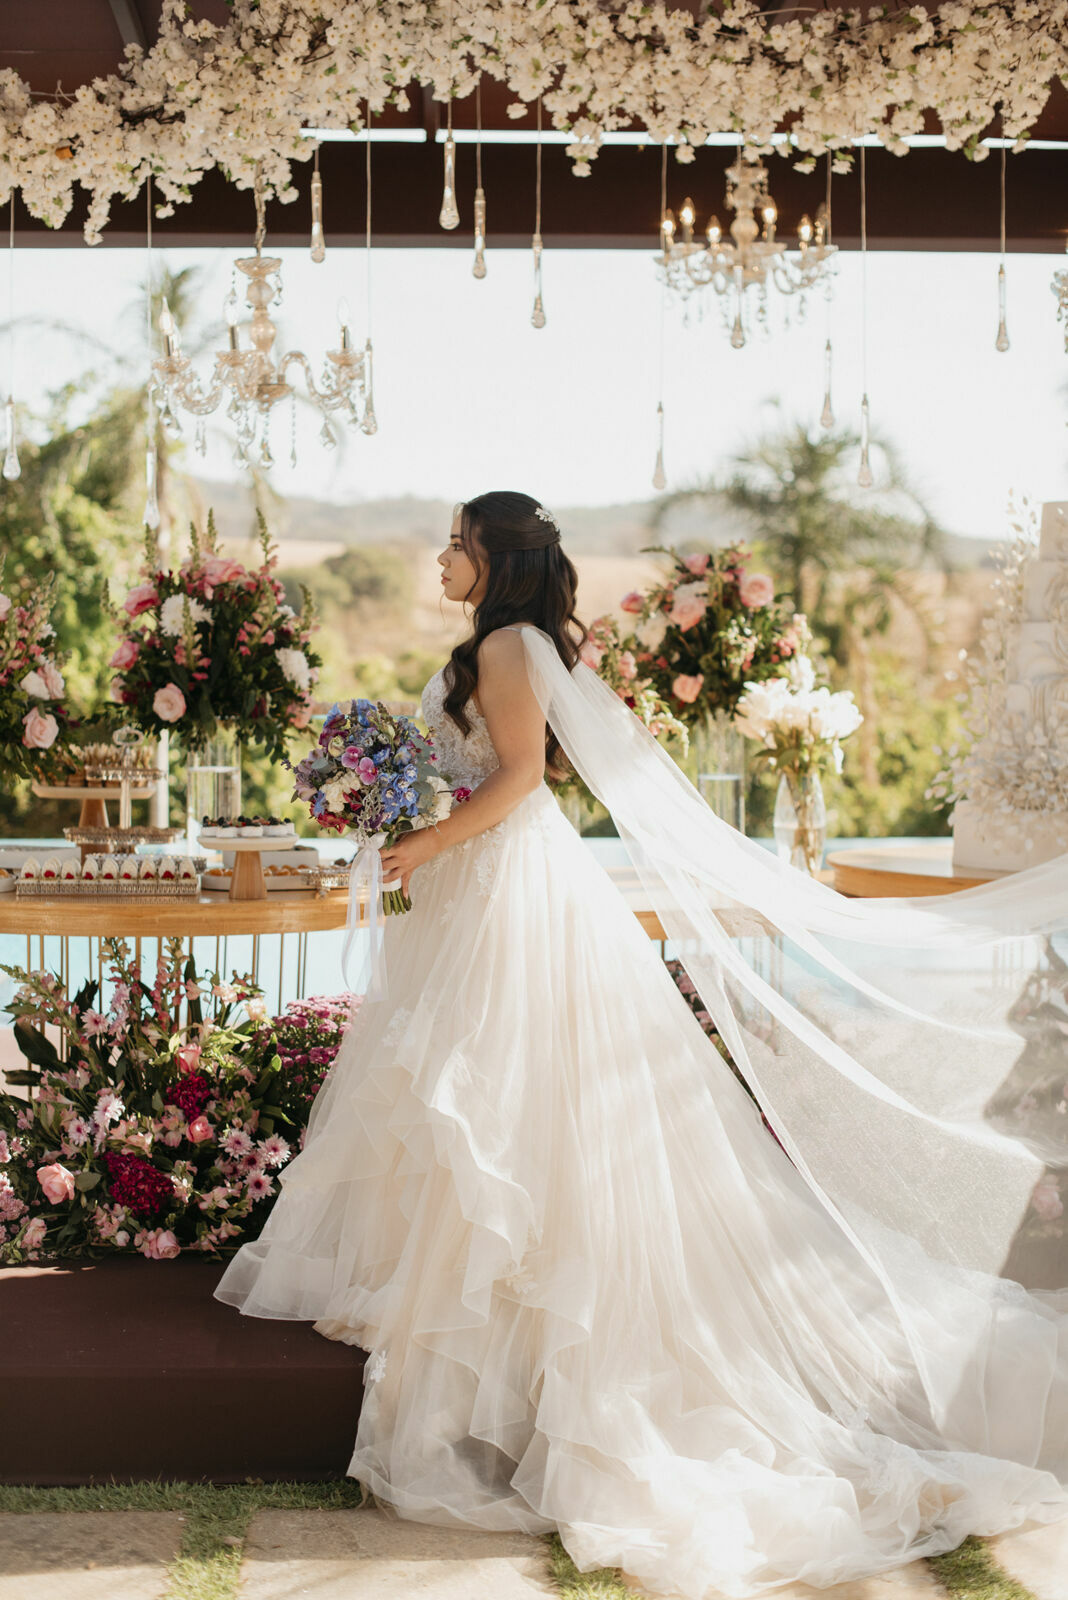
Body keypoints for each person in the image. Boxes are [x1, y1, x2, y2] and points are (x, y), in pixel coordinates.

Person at [215, 490, 1068, 1598]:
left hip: (510, 897)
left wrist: (423, 835)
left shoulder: (514, 645)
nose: (440, 556)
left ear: (493, 559)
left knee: (510, 1101)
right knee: (480, 1103)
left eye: (457, 544)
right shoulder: (496, 645)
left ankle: (532, 1344)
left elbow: (519, 782)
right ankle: (493, 1321)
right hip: (482, 891)